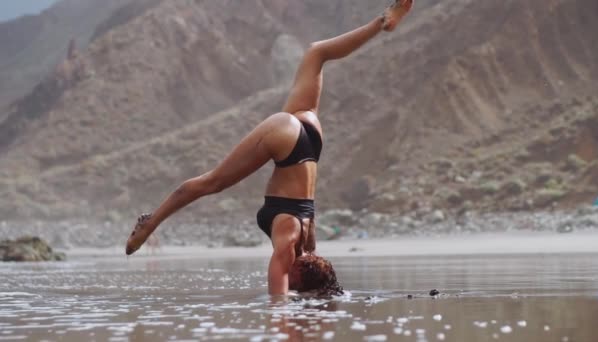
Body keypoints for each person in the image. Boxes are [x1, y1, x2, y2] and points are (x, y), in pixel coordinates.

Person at [125, 0, 415, 295]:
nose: (290, 282)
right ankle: (151, 224)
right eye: (294, 283)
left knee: (317, 53)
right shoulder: (289, 245)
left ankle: (382, 22)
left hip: (310, 141)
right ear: (299, 278)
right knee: (212, 182)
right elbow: (278, 304)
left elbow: (312, 281)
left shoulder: (309, 243)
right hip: (287, 140)